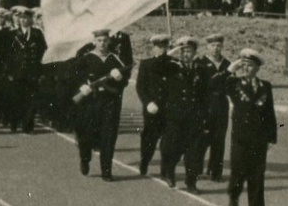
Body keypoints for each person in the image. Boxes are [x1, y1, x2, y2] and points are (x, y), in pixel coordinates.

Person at [216, 49, 278, 206]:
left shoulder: (265, 86)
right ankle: (234, 197)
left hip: (259, 137)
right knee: (238, 172)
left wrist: (271, 137)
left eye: (250, 65)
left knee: (257, 174)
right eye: (243, 65)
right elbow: (215, 85)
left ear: (257, 68)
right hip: (240, 137)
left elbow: (269, 112)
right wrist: (230, 69)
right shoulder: (234, 83)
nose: (246, 68)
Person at [72, 29, 129, 182]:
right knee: (86, 136)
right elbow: (74, 76)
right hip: (90, 102)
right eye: (99, 41)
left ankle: (106, 171)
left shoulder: (115, 59)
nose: (102, 44)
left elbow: (125, 81)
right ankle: (85, 158)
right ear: (94, 42)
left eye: (105, 40)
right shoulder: (86, 58)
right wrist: (82, 86)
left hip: (110, 103)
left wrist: (120, 78)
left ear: (109, 41)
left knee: (108, 137)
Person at [158, 36, 213, 191]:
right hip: (176, 116)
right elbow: (156, 66)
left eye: (189, 51)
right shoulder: (171, 67)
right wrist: (171, 52)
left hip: (195, 116)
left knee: (194, 152)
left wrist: (205, 115)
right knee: (173, 149)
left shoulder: (201, 69)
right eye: (183, 51)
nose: (185, 54)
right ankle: (169, 172)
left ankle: (191, 182)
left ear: (195, 52)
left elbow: (205, 93)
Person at [134, 34, 172, 177]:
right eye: (158, 46)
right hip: (152, 108)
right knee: (149, 139)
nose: (161, 49)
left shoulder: (173, 63)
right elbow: (140, 86)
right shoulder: (146, 64)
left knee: (168, 140)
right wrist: (148, 102)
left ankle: (165, 169)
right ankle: (144, 161)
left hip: (168, 108)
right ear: (153, 48)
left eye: (164, 46)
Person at [195, 33, 231, 181]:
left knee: (219, 140)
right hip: (205, 103)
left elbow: (230, 84)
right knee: (202, 139)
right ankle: (197, 170)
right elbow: (203, 85)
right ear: (207, 47)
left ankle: (215, 172)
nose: (216, 48)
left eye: (218, 45)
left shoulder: (227, 63)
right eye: (212, 45)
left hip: (221, 104)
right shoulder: (200, 63)